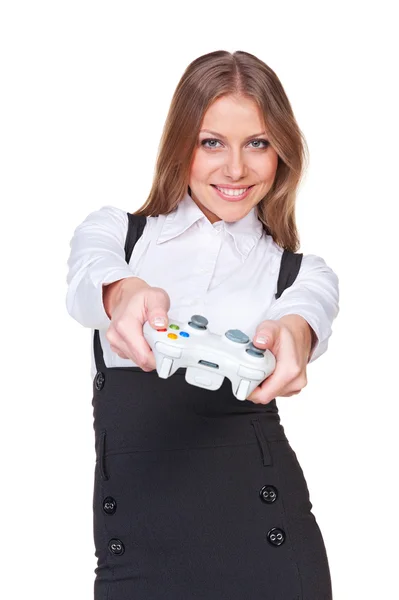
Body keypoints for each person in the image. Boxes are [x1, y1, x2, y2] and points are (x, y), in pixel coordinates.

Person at [66, 50, 339, 600]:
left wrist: (291, 337)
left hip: (270, 549)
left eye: (257, 143)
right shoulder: (117, 235)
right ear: (180, 144)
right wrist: (128, 295)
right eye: (212, 142)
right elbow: (88, 283)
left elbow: (307, 317)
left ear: (281, 151)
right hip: (138, 558)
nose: (235, 169)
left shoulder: (302, 272)